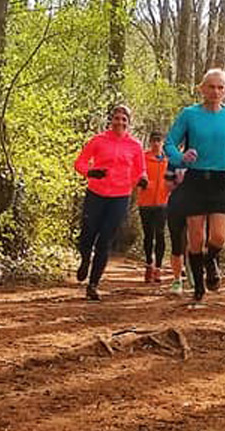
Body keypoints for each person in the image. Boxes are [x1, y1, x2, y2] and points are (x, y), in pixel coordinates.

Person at [164, 68, 225, 301]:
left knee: (219, 237)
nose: (215, 91)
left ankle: (210, 259)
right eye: (211, 86)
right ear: (202, 89)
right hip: (195, 179)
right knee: (196, 238)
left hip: (222, 179)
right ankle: (199, 288)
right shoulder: (189, 114)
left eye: (220, 87)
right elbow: (169, 143)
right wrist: (181, 157)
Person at [74, 104, 148, 301]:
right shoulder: (98, 140)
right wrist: (90, 172)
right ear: (111, 120)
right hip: (96, 193)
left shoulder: (135, 146)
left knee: (105, 240)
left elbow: (140, 170)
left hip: (120, 196)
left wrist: (142, 179)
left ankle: (93, 284)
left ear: (129, 123)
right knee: (87, 235)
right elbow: (79, 162)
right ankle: (84, 260)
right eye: (117, 118)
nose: (120, 122)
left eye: (124, 120)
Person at [137, 132, 170, 283]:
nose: (156, 143)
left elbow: (173, 177)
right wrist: (140, 182)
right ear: (150, 142)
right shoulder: (143, 157)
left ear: (162, 142)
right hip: (145, 202)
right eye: (154, 141)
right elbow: (135, 174)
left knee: (160, 234)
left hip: (162, 203)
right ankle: (148, 264)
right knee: (148, 235)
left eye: (159, 141)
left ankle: (158, 268)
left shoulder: (167, 160)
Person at [165, 167, 187, 295]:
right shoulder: (174, 161)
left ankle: (197, 277)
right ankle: (177, 280)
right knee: (177, 244)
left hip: (198, 206)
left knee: (197, 241)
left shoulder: (205, 159)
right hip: (176, 205)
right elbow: (167, 185)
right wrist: (177, 180)